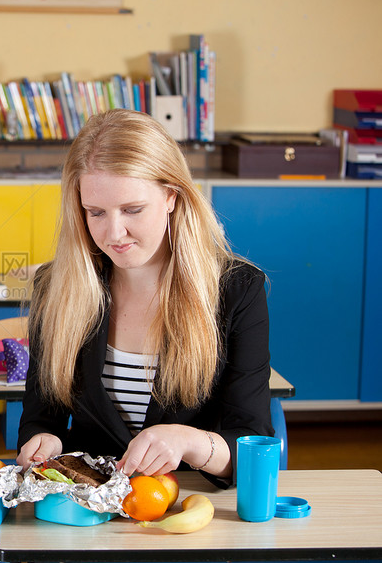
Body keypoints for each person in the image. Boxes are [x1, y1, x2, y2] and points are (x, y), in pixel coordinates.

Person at [16, 109, 272, 488]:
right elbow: (42, 418)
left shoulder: (236, 289)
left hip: (189, 508)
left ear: (171, 195)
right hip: (87, 510)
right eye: (96, 212)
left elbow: (251, 443)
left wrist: (190, 442)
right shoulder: (56, 288)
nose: (114, 232)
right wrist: (45, 441)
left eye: (132, 209)